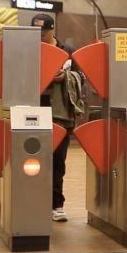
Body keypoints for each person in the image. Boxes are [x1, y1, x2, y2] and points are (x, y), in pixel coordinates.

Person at [33, 13, 84, 222]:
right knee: (33, 157)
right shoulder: (29, 50)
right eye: (37, 33)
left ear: (53, 30)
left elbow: (82, 76)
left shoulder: (68, 53)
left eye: (44, 33)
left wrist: (66, 77)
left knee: (57, 161)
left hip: (60, 113)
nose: (41, 37)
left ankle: (56, 204)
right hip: (35, 109)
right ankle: (33, 202)